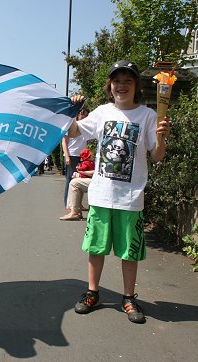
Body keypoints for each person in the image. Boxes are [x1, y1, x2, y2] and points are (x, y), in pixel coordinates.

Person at [68, 60, 170, 324]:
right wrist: (72, 111)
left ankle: (128, 297)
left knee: (130, 252)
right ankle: (93, 292)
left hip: (131, 197)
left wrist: (163, 137)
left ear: (136, 86)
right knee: (96, 248)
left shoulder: (148, 115)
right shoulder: (102, 112)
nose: (121, 85)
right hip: (102, 194)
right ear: (110, 86)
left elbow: (157, 156)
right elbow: (76, 131)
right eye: (117, 81)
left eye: (128, 81)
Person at [61, 107, 89, 208]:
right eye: (82, 114)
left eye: (86, 115)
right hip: (72, 155)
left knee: (80, 180)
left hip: (82, 157)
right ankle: (68, 204)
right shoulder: (71, 125)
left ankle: (78, 204)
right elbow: (64, 142)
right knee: (70, 181)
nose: (84, 116)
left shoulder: (86, 127)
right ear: (78, 114)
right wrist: (67, 156)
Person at [60, 148, 95, 221]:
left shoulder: (87, 162)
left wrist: (81, 171)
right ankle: (76, 211)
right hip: (98, 179)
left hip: (98, 181)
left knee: (74, 183)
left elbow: (95, 172)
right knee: (77, 182)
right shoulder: (92, 162)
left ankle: (74, 212)